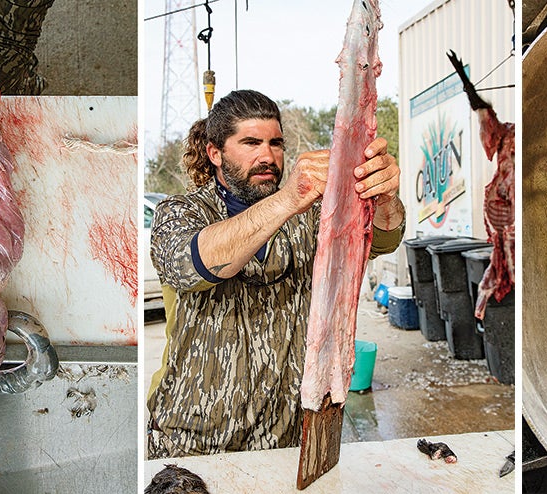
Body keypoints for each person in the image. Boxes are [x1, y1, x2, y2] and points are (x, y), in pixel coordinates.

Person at [146, 90, 405, 459]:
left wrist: (384, 196)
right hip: (194, 443)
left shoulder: (310, 215)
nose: (267, 156)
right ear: (215, 153)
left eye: (276, 143)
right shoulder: (180, 211)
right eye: (251, 143)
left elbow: (382, 240)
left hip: (285, 440)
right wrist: (287, 199)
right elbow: (190, 265)